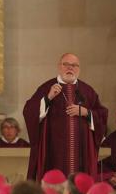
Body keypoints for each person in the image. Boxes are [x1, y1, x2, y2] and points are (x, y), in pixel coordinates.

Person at [23, 53, 108, 181]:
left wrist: (86, 113)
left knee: (80, 186)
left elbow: (102, 115)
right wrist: (48, 98)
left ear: (79, 69)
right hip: (53, 150)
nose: (70, 68)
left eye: (74, 65)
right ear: (59, 66)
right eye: (66, 64)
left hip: (81, 151)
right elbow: (29, 111)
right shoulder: (47, 87)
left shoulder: (87, 91)